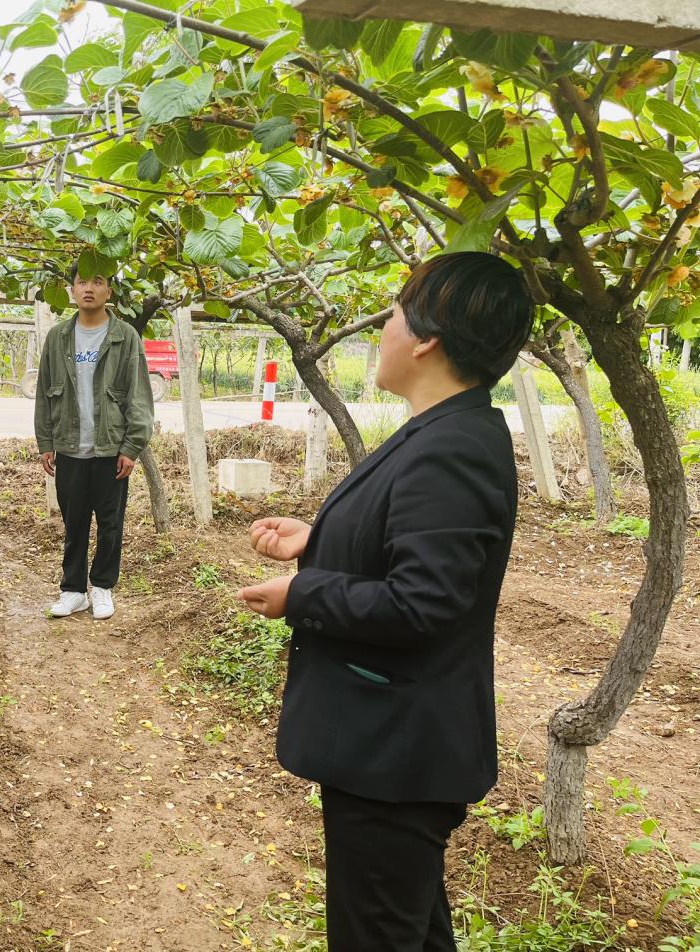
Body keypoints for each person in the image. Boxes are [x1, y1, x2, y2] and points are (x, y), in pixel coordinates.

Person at [238, 252, 534, 952]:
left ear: (427, 339)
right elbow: (413, 549)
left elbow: (420, 604)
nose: (383, 328)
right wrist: (319, 540)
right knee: (407, 931)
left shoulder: (450, 447)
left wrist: (302, 593)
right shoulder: (442, 429)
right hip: (391, 749)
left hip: (394, 753)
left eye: (394, 314)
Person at [34, 263, 154, 620]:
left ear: (109, 292)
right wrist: (45, 441)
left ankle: (102, 588)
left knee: (110, 522)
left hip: (110, 448)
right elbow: (44, 392)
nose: (89, 287)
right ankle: (73, 590)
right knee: (74, 523)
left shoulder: (125, 336)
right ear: (72, 290)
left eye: (97, 281)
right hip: (70, 446)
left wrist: (132, 447)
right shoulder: (58, 337)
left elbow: (139, 395)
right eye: (82, 281)